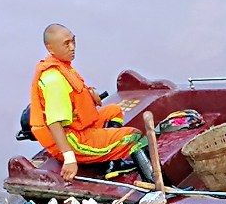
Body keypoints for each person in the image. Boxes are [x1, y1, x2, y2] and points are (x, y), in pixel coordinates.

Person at [22, 24, 153, 182]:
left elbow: (75, 93)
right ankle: (157, 185)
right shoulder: (54, 80)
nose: (72, 47)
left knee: (114, 111)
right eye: (66, 44)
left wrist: (90, 93)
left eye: (73, 41)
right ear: (50, 48)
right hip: (72, 140)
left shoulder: (61, 67)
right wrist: (69, 158)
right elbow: (54, 122)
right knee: (135, 137)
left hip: (79, 126)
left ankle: (112, 164)